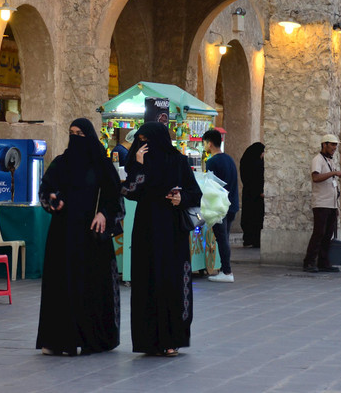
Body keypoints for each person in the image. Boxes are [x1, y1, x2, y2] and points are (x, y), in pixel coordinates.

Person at [36, 118, 123, 356]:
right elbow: (46, 189)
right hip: (63, 234)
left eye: (80, 134)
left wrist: (104, 214)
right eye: (71, 133)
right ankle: (57, 339)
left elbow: (114, 197)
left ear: (90, 137)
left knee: (90, 284)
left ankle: (91, 338)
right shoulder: (62, 163)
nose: (75, 138)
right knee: (60, 284)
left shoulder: (102, 166)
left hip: (91, 236)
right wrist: (53, 198)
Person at [122, 122, 201, 356]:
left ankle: (171, 339)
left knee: (171, 282)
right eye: (140, 141)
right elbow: (129, 191)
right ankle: (148, 340)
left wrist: (180, 198)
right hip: (146, 229)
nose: (143, 146)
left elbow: (195, 192)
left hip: (172, 231)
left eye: (147, 141)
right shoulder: (139, 164)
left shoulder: (177, 161)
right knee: (146, 280)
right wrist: (138, 165)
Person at [303, 134, 341, 273]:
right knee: (319, 233)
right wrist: (334, 173)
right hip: (321, 203)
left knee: (328, 234)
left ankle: (323, 261)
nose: (334, 148)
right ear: (324, 144)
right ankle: (309, 262)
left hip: (331, 203)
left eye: (335, 145)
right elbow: (316, 177)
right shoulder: (318, 160)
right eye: (332, 145)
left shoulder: (330, 161)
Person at [202, 129, 239, 283]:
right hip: (231, 205)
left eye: (204, 143)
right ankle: (225, 269)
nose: (204, 146)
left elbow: (210, 187)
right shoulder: (229, 159)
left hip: (219, 207)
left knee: (222, 239)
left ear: (209, 144)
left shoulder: (211, 162)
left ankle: (227, 271)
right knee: (225, 238)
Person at [240, 142, 265, 248]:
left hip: (248, 194)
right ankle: (255, 240)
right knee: (256, 218)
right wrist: (260, 191)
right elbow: (258, 179)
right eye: (263, 152)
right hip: (257, 196)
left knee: (248, 217)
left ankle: (248, 239)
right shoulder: (257, 164)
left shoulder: (246, 161)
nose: (263, 155)